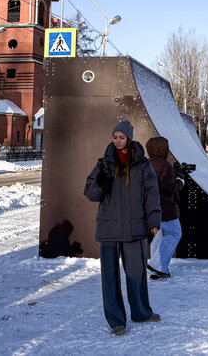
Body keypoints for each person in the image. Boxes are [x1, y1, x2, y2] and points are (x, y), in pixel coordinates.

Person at [84, 120, 161, 336]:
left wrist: (153, 221)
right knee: (109, 277)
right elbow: (90, 193)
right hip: (108, 229)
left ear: (129, 138)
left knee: (136, 274)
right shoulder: (104, 164)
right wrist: (100, 182)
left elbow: (151, 195)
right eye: (115, 137)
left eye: (121, 137)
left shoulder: (143, 165)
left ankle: (141, 312)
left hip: (134, 228)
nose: (117, 141)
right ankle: (117, 321)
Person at [145, 136, 184, 280]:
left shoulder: (146, 164)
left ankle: (160, 270)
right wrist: (180, 180)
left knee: (158, 237)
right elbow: (169, 188)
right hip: (166, 208)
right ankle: (157, 264)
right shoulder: (165, 165)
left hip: (151, 208)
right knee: (174, 233)